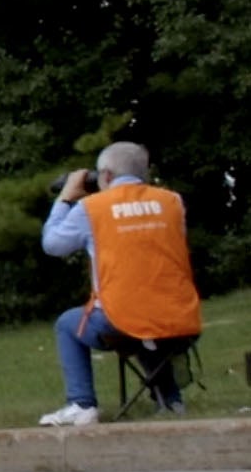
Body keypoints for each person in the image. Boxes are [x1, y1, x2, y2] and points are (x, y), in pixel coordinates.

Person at [40, 142, 200, 425]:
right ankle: (171, 400)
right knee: (146, 320)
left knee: (68, 323)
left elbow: (52, 244)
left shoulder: (92, 208)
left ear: (107, 176)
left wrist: (65, 198)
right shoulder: (172, 201)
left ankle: (81, 403)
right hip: (180, 318)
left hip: (122, 319)